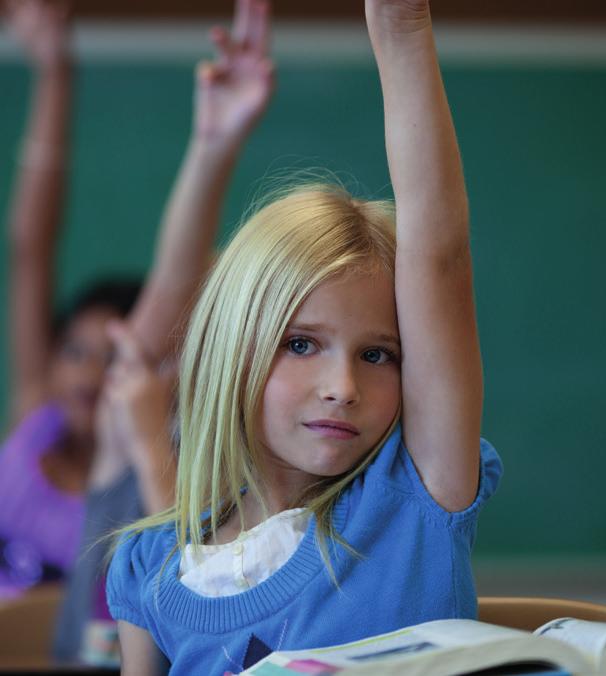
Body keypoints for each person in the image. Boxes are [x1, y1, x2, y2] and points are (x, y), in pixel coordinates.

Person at [106, 0, 503, 674]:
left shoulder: (412, 497)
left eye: (378, 355)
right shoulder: (147, 566)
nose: (343, 388)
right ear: (233, 351)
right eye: (300, 344)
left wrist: (400, 27)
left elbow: (438, 256)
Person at [0, 0, 272, 601]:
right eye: (74, 350)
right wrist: (54, 70)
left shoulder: (146, 463)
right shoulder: (35, 415)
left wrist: (215, 144)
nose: (90, 373)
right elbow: (29, 247)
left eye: (112, 357)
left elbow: (178, 280)